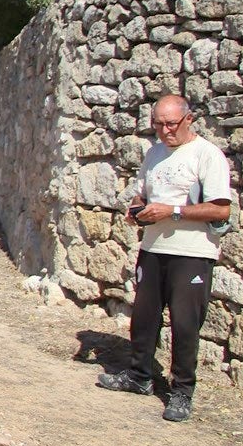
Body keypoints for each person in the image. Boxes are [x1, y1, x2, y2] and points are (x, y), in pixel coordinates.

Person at [97, 94, 232, 423]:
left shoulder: (207, 155)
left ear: (189, 119)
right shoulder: (155, 153)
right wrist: (137, 210)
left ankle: (182, 390)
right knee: (144, 316)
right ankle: (139, 375)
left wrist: (171, 211)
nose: (164, 131)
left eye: (171, 124)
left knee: (186, 323)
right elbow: (144, 193)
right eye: (158, 124)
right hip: (153, 249)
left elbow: (220, 208)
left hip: (192, 253)